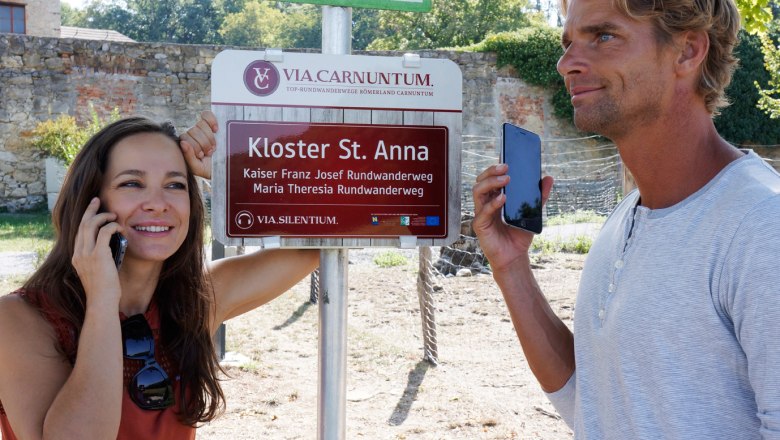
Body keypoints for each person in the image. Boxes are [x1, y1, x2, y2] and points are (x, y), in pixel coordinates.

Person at [472, 0, 780, 437]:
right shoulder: (625, 218)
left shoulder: (762, 228)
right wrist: (511, 266)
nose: (566, 64)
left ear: (687, 51)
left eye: (603, 37)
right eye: (568, 43)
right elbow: (594, 403)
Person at [0, 112, 319, 439]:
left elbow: (314, 243)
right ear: (89, 203)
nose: (158, 203)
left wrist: (232, 174)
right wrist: (102, 303)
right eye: (132, 183)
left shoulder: (196, 301)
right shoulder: (19, 319)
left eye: (175, 185)